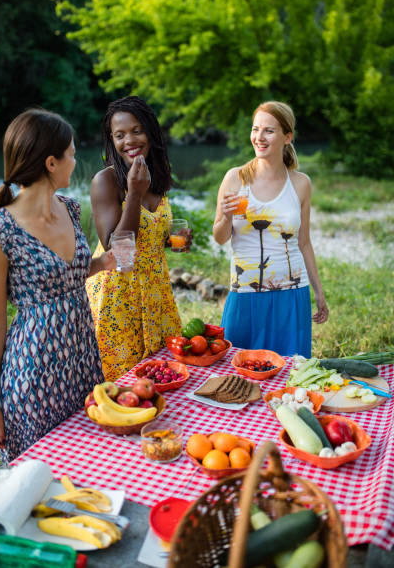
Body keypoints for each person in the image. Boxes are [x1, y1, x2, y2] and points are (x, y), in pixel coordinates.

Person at [0, 108, 117, 463]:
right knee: (38, 484)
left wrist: (100, 264)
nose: (75, 161)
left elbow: (63, 277)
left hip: (83, 362)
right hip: (32, 375)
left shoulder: (71, 209)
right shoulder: (0, 229)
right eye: (72, 154)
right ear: (51, 163)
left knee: (91, 467)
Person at [213, 101, 328, 357]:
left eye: (269, 131)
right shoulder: (235, 178)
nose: (259, 137)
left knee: (288, 377)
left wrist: (319, 292)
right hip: (245, 292)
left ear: (288, 136)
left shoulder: (301, 184)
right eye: (255, 129)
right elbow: (219, 237)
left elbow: (304, 242)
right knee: (237, 373)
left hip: (292, 294)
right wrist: (227, 216)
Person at [86, 96, 189, 381]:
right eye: (119, 135)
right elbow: (117, 249)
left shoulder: (155, 177)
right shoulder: (105, 181)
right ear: (112, 140)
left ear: (151, 133)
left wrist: (171, 240)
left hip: (156, 294)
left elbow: (150, 236)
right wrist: (133, 193)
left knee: (162, 377)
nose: (128, 140)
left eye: (136, 130)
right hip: (119, 298)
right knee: (122, 384)